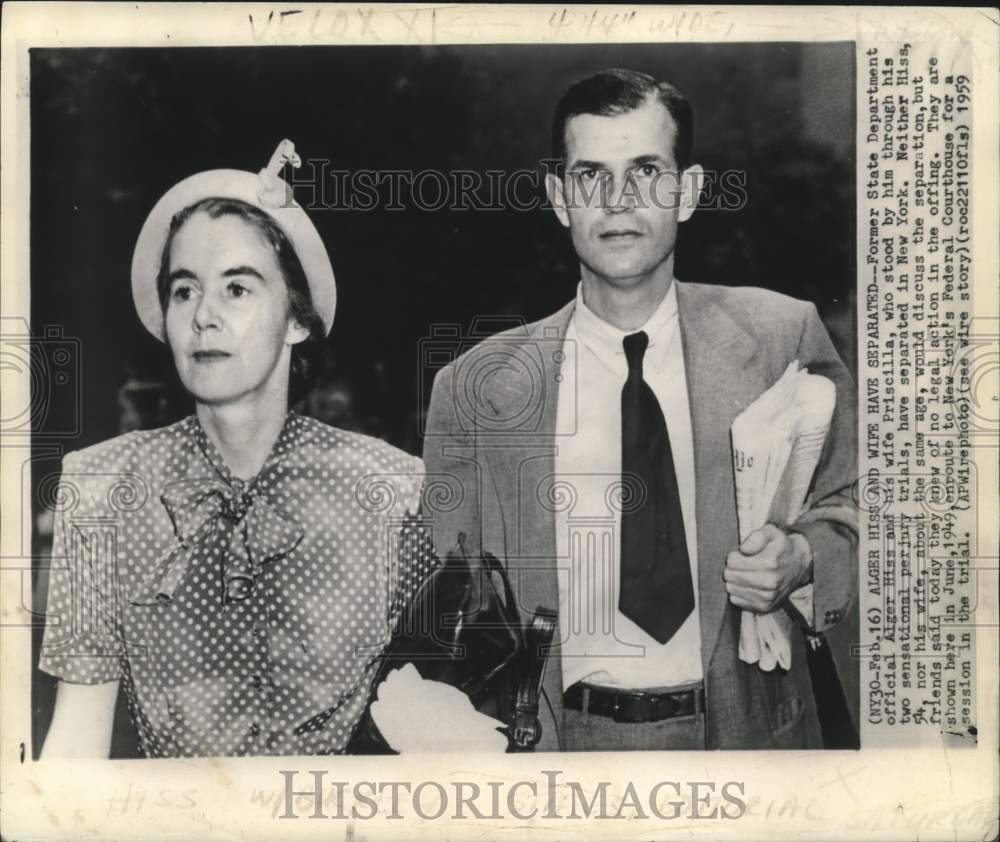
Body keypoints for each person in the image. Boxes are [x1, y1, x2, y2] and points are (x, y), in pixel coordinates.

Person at [422, 69, 858, 750]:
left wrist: (801, 557)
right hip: (557, 748)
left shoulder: (781, 339)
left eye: (647, 171)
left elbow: (862, 505)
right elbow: (447, 607)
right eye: (590, 175)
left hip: (743, 740)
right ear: (559, 199)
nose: (618, 200)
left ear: (689, 192)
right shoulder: (477, 388)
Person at [38, 141, 437, 757]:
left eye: (238, 289)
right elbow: (76, 741)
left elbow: (426, 722)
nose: (204, 316)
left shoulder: (390, 489)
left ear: (297, 320)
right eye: (184, 291)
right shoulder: (103, 489)